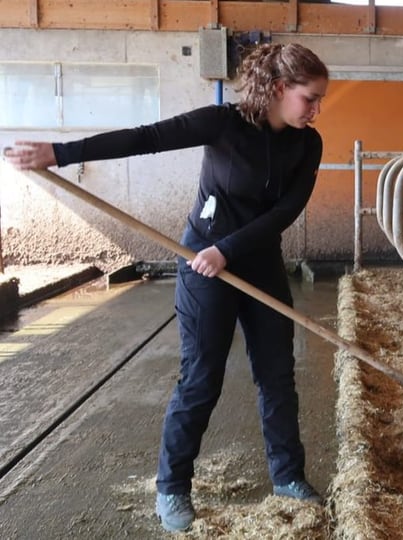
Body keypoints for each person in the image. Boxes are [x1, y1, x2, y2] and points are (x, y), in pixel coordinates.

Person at [4, 42, 329, 533]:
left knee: (278, 374)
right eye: (311, 97)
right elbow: (147, 137)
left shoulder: (308, 145)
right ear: (281, 89)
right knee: (202, 378)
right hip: (202, 264)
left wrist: (231, 250)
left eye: (320, 99)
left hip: (254, 260)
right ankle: (172, 487)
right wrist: (62, 152)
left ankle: (287, 476)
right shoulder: (224, 123)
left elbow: (285, 213)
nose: (317, 108)